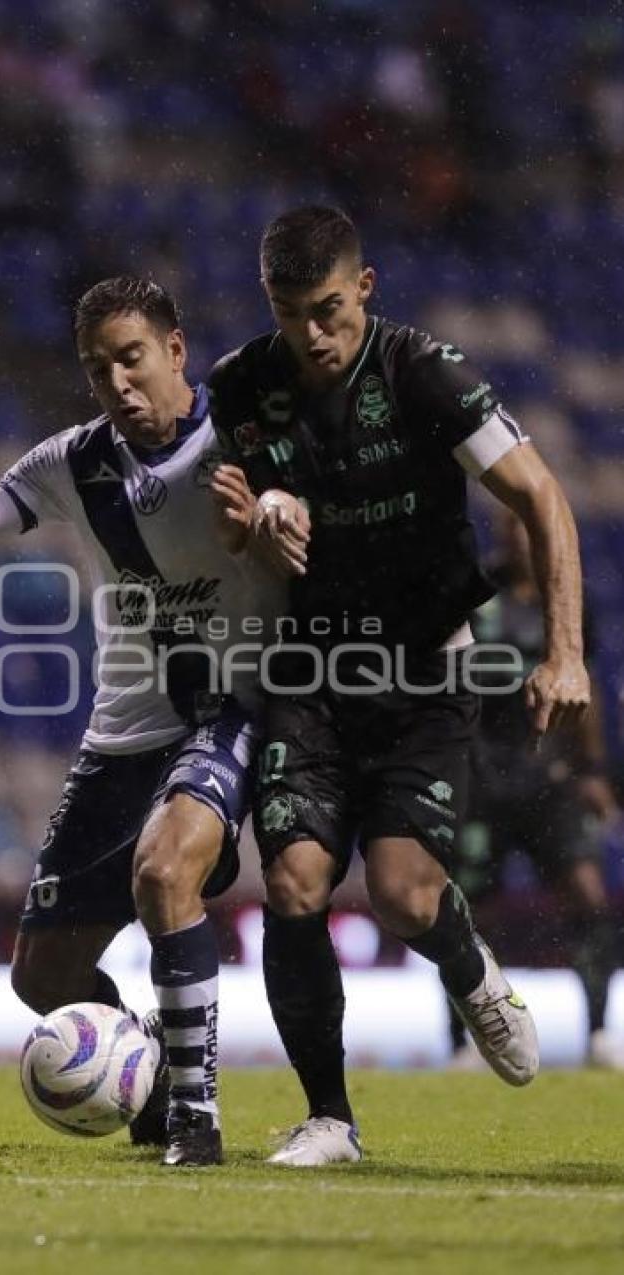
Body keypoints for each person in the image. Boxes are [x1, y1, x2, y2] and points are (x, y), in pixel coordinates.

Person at [0, 275, 280, 1167]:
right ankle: (147, 1069)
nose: (117, 380)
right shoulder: (74, 462)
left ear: (175, 350)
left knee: (163, 873)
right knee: (43, 977)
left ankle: (195, 1111)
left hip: (229, 710)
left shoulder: (247, 437)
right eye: (97, 366)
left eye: (132, 357)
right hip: (122, 736)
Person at [209, 205, 589, 1167]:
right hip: (310, 669)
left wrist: (566, 652)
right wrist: (253, 521)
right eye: (293, 312)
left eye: (331, 308)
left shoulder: (425, 372)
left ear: (365, 289)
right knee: (294, 882)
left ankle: (471, 969)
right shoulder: (242, 389)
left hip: (424, 671)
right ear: (271, 304)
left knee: (406, 898)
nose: (314, 333)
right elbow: (227, 519)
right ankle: (329, 1116)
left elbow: (541, 496)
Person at [448, 510, 621, 1069]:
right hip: (479, 778)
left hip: (548, 778)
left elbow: (584, 683)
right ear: (500, 531)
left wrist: (592, 769)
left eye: (529, 525)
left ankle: (598, 1033)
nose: (521, 535)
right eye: (512, 525)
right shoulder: (476, 593)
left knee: (589, 893)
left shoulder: (565, 600)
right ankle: (463, 1045)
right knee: (468, 913)